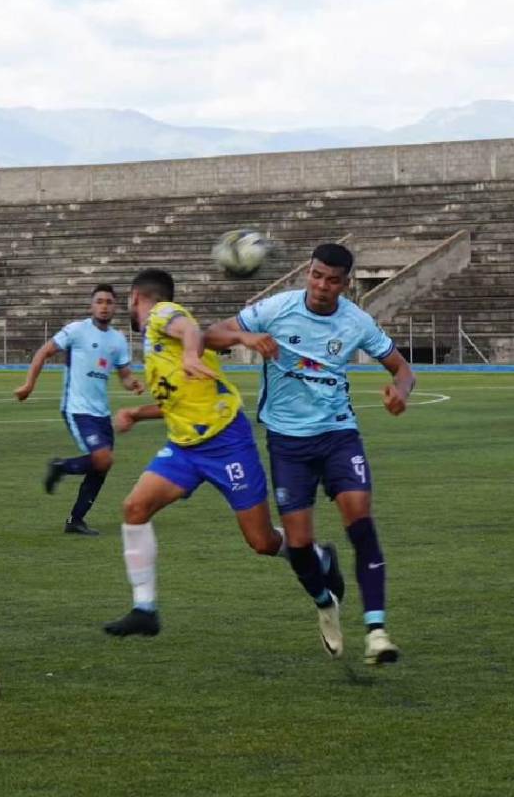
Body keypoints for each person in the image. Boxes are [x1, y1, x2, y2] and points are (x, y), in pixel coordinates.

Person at [205, 244, 413, 665]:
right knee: (298, 545)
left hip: (338, 435)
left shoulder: (356, 321)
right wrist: (245, 335)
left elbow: (403, 368)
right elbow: (211, 333)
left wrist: (401, 392)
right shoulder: (278, 308)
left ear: (345, 284)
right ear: (308, 273)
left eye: (332, 280)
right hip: (287, 442)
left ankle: (377, 631)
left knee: (361, 522)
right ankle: (324, 602)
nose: (321, 286)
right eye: (316, 275)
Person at [102, 268, 288, 638]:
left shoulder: (160, 314)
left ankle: (314, 555)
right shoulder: (156, 347)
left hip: (226, 441)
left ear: (135, 297)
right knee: (134, 508)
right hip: (185, 447)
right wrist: (138, 414)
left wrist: (190, 352)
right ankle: (145, 609)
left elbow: (190, 329)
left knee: (262, 542)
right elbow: (175, 401)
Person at [14, 284, 144, 535]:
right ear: (91, 305)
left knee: (102, 466)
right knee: (103, 458)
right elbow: (44, 352)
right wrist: (29, 384)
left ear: (115, 306)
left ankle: (76, 520)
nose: (104, 306)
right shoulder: (76, 330)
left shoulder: (118, 339)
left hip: (101, 412)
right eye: (99, 301)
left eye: (109, 302)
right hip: (77, 408)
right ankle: (60, 467)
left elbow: (124, 375)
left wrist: (133, 384)